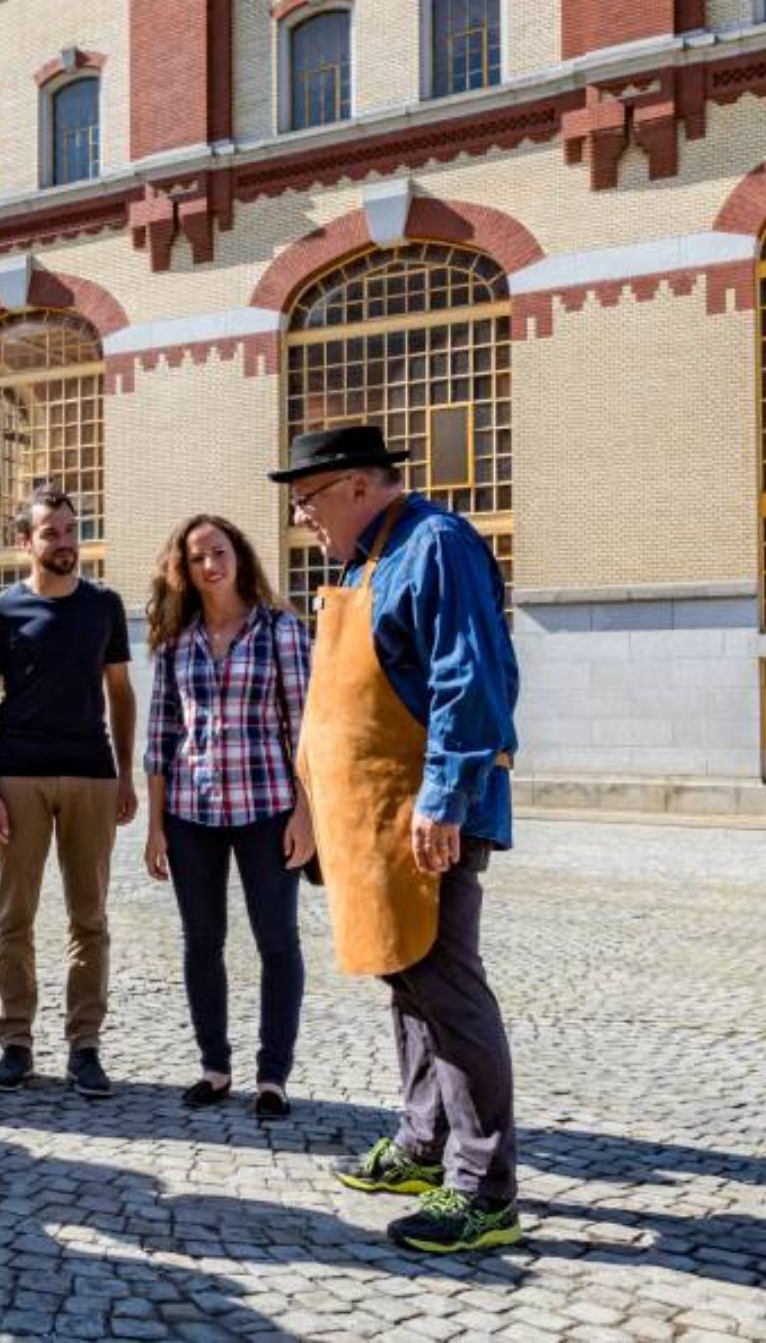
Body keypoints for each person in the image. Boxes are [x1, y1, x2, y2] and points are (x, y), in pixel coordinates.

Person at [271, 424, 522, 1255]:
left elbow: (470, 677)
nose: (303, 516)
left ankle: (483, 1189)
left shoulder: (434, 544)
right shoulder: (361, 560)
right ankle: (423, 1143)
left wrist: (445, 800)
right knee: (406, 977)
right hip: (372, 820)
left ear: (353, 485)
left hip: (425, 815)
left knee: (446, 987)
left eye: (307, 500)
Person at [141, 514, 314, 1119]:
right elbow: (160, 733)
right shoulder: (175, 640)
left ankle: (273, 1077)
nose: (210, 566)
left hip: (268, 809)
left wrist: (307, 814)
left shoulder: (281, 631)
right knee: (202, 942)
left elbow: (307, 729)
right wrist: (156, 824)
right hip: (192, 812)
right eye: (197, 558)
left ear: (238, 555)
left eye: (219, 552)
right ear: (184, 570)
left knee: (277, 942)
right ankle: (214, 1067)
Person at [0, 486, 137, 1098]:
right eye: (51, 533)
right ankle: (15, 1040)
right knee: (15, 915)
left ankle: (84, 1047)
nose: (65, 542)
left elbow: (121, 694)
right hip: (20, 776)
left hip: (92, 774)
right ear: (26, 542)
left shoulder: (104, 606)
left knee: (88, 917)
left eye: (70, 530)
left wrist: (125, 774)